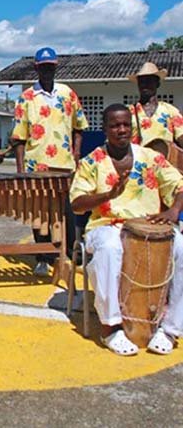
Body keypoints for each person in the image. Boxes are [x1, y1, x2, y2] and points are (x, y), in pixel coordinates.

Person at [70, 103, 183, 356]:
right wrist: (107, 194)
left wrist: (174, 210)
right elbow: (77, 204)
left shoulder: (151, 158)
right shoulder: (92, 163)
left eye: (125, 125)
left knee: (182, 247)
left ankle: (171, 328)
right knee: (110, 248)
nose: (121, 130)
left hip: (147, 225)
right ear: (104, 129)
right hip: (106, 225)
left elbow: (179, 185)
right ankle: (111, 327)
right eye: (114, 125)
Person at [11, 47, 89, 276]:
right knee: (40, 214)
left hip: (65, 165)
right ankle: (43, 257)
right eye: (43, 67)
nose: (47, 71)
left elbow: (79, 127)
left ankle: (73, 255)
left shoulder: (68, 93)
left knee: (69, 212)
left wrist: (75, 153)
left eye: (50, 67)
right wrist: (20, 171)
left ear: (56, 67)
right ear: (36, 68)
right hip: (37, 165)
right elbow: (18, 137)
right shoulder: (26, 98)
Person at [128, 62, 183, 148]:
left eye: (149, 81)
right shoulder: (128, 112)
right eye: (141, 81)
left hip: (164, 160)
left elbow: (181, 137)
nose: (144, 85)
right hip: (138, 161)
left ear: (157, 84)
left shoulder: (170, 111)